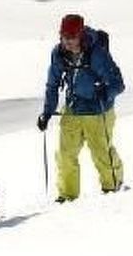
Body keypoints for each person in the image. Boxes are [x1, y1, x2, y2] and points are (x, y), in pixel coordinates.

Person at [38, 13, 125, 201]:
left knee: (102, 153)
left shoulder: (97, 53)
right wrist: (46, 112)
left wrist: (105, 92)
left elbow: (118, 83)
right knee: (65, 154)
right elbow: (52, 85)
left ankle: (113, 187)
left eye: (71, 37)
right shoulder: (59, 54)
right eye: (64, 37)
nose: (67, 42)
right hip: (73, 107)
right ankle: (67, 195)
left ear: (80, 35)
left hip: (99, 110)